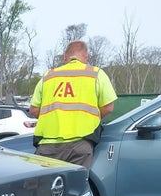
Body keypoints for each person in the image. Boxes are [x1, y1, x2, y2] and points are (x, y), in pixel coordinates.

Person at [29, 40, 117, 168]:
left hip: (47, 146)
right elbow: (108, 107)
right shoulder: (95, 74)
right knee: (75, 186)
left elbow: (33, 110)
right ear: (86, 56)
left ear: (65, 57)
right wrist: (90, 118)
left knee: (45, 186)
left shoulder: (48, 76)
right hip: (80, 145)